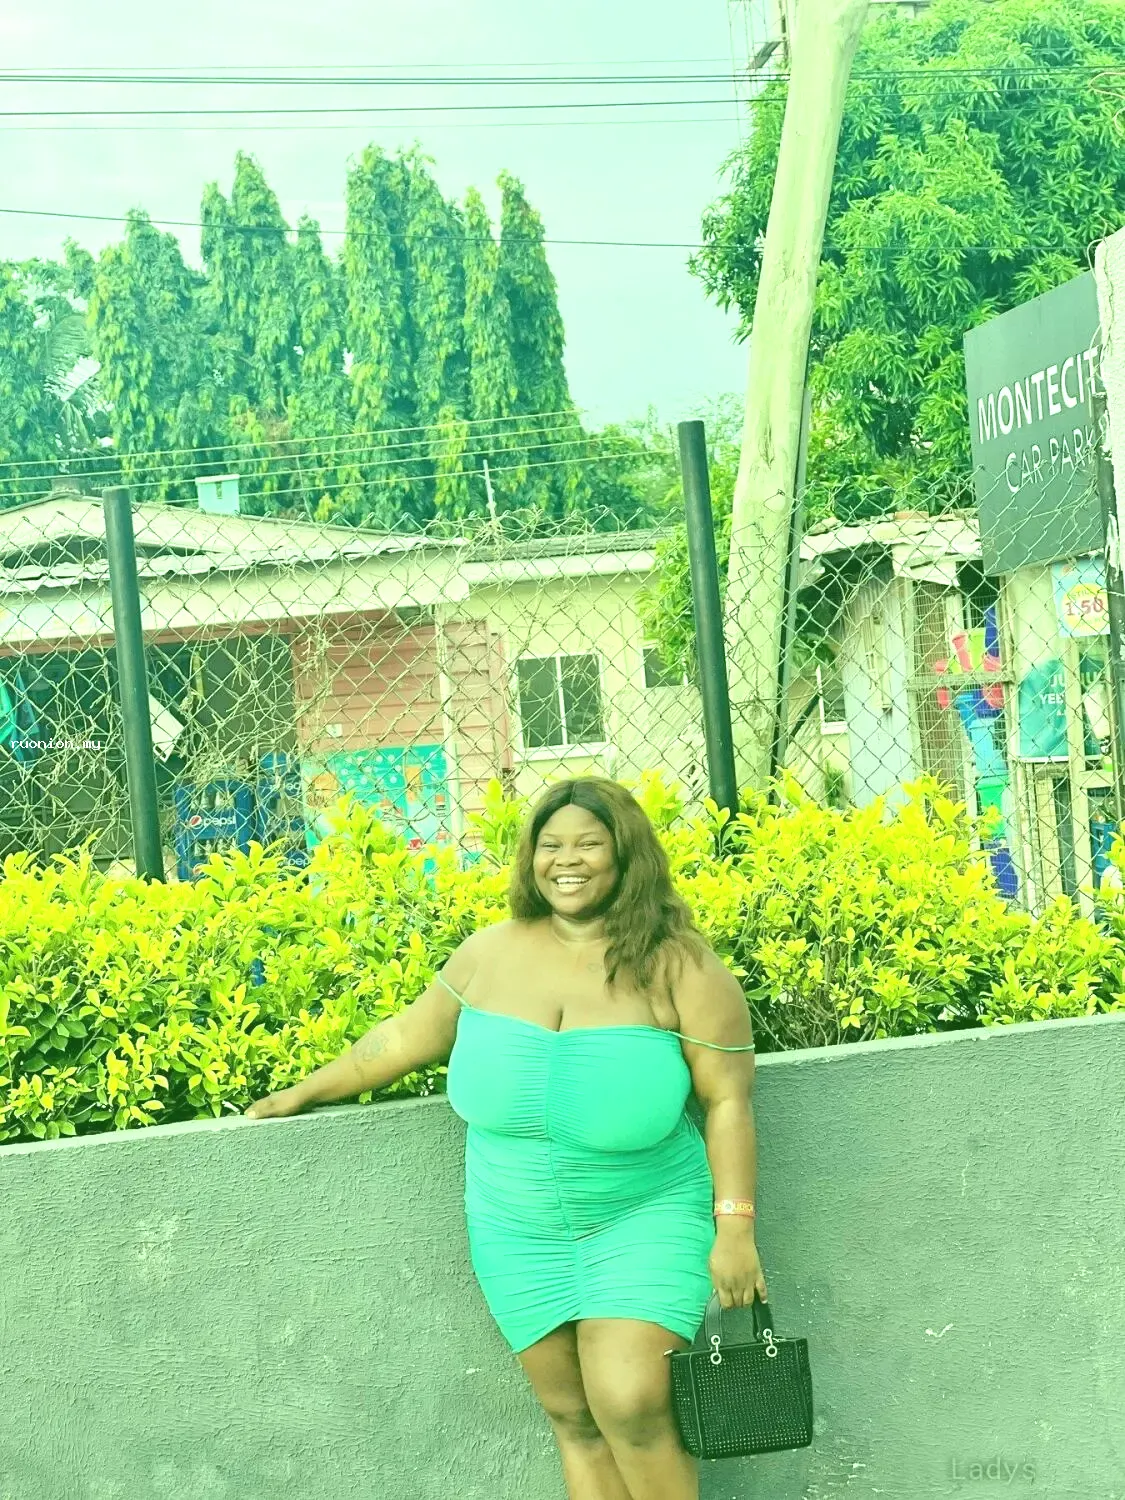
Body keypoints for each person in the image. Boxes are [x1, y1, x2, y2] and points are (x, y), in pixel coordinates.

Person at [246, 776, 765, 1500]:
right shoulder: (488, 954)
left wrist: (734, 1228)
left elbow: (727, 1101)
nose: (567, 860)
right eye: (551, 845)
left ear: (626, 854)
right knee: (573, 1416)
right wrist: (304, 1090)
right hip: (514, 1229)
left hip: (642, 1216)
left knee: (631, 1402)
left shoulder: (683, 968)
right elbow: (404, 1037)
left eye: (589, 844)